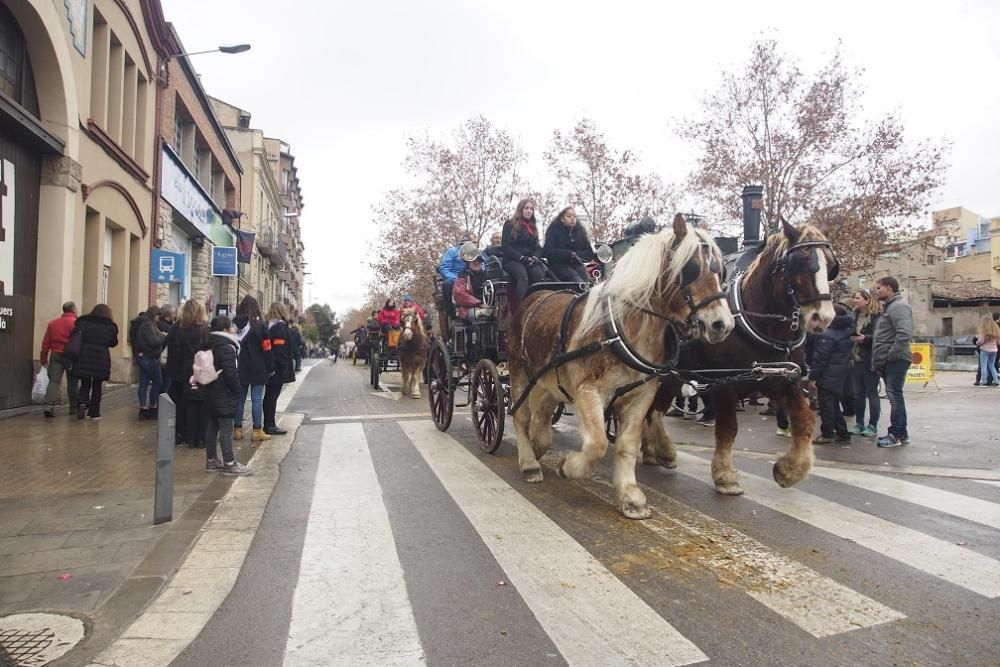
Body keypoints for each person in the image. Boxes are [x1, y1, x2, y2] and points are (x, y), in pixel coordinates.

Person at [201, 315, 252, 476]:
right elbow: (231, 373)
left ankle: (211, 461)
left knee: (213, 425)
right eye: (231, 326)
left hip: (210, 389)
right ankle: (229, 463)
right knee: (226, 427)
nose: (234, 329)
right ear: (224, 329)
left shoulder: (210, 343)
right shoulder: (226, 347)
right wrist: (237, 389)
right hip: (223, 391)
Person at [871, 277, 913, 448]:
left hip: (896, 360)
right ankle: (901, 433)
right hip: (890, 360)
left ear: (889, 288)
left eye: (879, 288)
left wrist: (891, 355)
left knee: (895, 397)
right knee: (896, 397)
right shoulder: (889, 307)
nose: (877, 291)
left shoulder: (899, 306)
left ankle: (896, 434)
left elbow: (904, 334)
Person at [166, 299, 209, 447]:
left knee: (186, 403)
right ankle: (200, 437)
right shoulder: (205, 329)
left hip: (184, 370)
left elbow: (173, 350)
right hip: (201, 369)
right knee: (201, 403)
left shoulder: (178, 328)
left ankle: (186, 435)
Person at [810, 304, 854, 445]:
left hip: (827, 375)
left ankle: (827, 434)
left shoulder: (827, 335)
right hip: (839, 373)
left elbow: (820, 358)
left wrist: (813, 377)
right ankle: (842, 433)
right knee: (833, 405)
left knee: (827, 405)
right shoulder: (846, 331)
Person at [233, 296, 273, 443]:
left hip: (239, 366)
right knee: (257, 399)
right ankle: (257, 430)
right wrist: (270, 367)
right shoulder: (261, 325)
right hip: (258, 367)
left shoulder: (235, 324)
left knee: (240, 399)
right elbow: (267, 348)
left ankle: (237, 429)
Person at [71, 304, 119, 420]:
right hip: (101, 358)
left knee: (85, 382)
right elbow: (113, 343)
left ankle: (82, 402)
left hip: (85, 355)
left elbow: (74, 336)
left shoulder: (83, 322)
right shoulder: (110, 326)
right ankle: (94, 412)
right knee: (97, 385)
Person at [848, 289, 881, 437]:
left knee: (872, 393)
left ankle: (873, 425)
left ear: (867, 300)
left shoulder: (877, 317)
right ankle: (859, 423)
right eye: (854, 298)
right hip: (855, 359)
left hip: (870, 360)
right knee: (858, 394)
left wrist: (865, 339)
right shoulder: (853, 316)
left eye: (857, 298)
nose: (854, 300)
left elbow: (880, 337)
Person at [501, 198, 547, 305]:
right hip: (512, 260)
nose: (529, 211)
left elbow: (538, 247)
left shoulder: (532, 227)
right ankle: (519, 308)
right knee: (523, 276)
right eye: (526, 208)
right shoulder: (509, 224)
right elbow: (506, 247)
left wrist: (535, 258)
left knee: (539, 277)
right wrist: (521, 258)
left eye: (531, 209)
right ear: (521, 209)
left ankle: (539, 305)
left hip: (529, 260)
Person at [40, 302, 79, 418]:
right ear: (73, 310)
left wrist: (43, 358)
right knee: (72, 382)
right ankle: (74, 408)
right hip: (71, 355)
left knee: (54, 381)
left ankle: (48, 406)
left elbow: (45, 343)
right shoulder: (76, 323)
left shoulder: (53, 323)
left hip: (56, 354)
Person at [263, 301, 296, 436]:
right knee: (272, 396)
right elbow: (280, 349)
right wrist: (283, 367)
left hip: (270, 365)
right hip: (277, 368)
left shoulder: (268, 326)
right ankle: (270, 425)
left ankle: (268, 424)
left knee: (269, 396)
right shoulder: (280, 328)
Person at [544, 206, 595, 283]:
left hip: (577, 265)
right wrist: (567, 254)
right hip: (559, 267)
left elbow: (589, 252)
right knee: (578, 281)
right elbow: (548, 252)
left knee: (587, 282)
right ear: (562, 219)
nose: (572, 218)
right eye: (569, 216)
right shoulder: (554, 232)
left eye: (574, 216)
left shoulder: (580, 233)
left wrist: (577, 255)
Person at [133, 305, 166, 420]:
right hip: (149, 358)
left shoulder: (146, 324)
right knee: (157, 382)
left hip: (145, 357)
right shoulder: (147, 325)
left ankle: (144, 408)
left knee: (144, 382)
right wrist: (162, 337)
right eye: (158, 316)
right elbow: (153, 341)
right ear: (154, 315)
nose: (158, 319)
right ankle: (151, 406)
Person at [453, 255, 493, 321]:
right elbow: (459, 295)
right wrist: (479, 303)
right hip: (468, 308)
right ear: (468, 262)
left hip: (488, 306)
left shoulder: (487, 276)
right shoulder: (462, 276)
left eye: (479, 261)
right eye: (474, 261)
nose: (476, 263)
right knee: (481, 315)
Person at [438, 238, 470, 314]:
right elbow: (444, 268)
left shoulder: (476, 252)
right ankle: (451, 313)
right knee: (446, 284)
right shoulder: (452, 251)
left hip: (473, 277)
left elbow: (483, 265)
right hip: (456, 277)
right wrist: (457, 279)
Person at [974, 315, 1000, 387]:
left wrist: (977, 343)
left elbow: (980, 341)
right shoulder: (996, 331)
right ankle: (996, 380)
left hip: (985, 350)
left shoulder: (984, 331)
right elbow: (998, 342)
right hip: (994, 350)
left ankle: (984, 381)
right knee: (992, 366)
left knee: (983, 366)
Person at [158, 304, 176, 394]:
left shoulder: (170, 325)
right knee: (165, 385)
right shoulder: (164, 326)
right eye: (173, 313)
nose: (175, 315)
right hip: (164, 357)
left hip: (165, 358)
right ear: (168, 314)